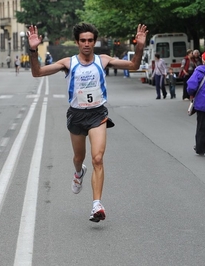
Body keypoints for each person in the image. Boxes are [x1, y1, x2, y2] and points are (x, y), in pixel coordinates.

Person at [27, 23, 148, 222]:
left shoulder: (103, 60)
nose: (86, 44)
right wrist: (33, 50)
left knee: (98, 158)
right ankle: (78, 172)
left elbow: (133, 66)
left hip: (97, 114)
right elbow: (37, 72)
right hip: (76, 115)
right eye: (83, 40)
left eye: (90, 40)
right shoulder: (68, 62)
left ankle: (96, 205)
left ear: (95, 42)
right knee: (78, 157)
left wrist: (140, 46)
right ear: (77, 42)